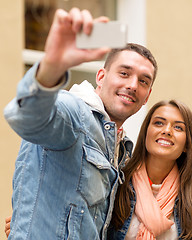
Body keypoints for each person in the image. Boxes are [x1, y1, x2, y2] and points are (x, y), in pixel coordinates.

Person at [4, 8, 157, 239]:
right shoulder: (74, 112)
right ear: (101, 77)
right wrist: (52, 66)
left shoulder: (121, 147)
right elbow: (26, 118)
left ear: (147, 96)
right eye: (124, 73)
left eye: (143, 81)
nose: (133, 85)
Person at [106, 99, 192, 240]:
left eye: (178, 128)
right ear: (146, 133)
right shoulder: (118, 182)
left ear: (187, 145)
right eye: (159, 123)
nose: (167, 131)